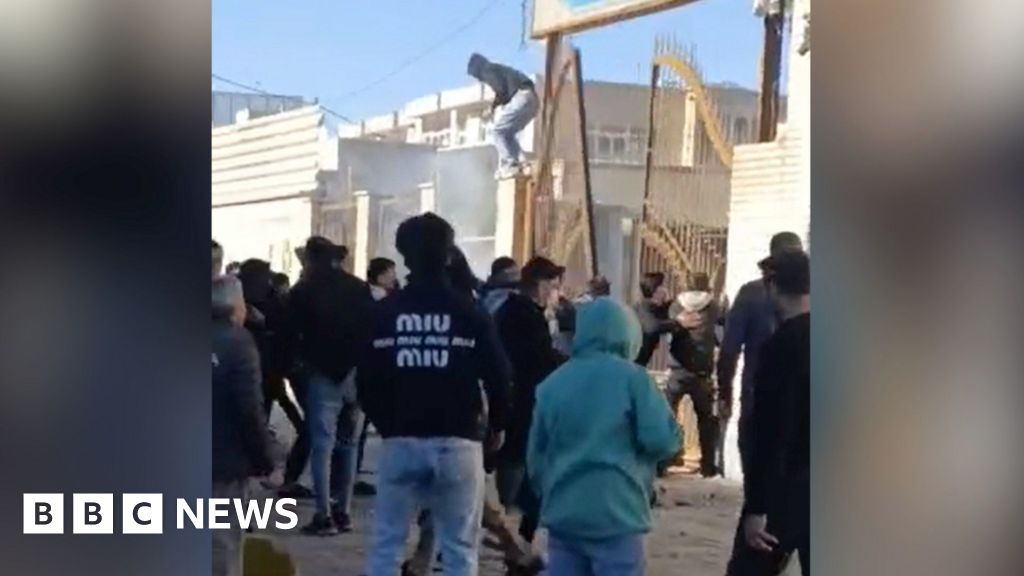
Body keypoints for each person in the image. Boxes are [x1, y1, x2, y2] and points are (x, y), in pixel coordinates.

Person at [358, 213, 511, 576]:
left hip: (401, 439)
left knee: (387, 545)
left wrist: (388, 424)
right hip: (459, 439)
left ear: (403, 255)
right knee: (460, 549)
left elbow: (367, 380)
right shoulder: (469, 312)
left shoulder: (385, 312)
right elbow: (500, 376)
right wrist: (497, 425)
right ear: (448, 253)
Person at [527, 297, 682, 576]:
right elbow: (661, 441)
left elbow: (536, 457)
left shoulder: (552, 384)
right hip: (618, 511)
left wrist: (547, 491)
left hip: (564, 511)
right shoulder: (635, 380)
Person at [720, 231, 804, 574]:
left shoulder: (754, 297)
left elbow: (729, 351)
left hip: (765, 417)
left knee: (752, 557)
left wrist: (724, 394)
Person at [289, 236, 372, 535]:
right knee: (348, 445)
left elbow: (292, 332)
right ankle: (343, 510)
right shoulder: (358, 287)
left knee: (322, 445)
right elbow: (370, 327)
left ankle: (323, 514)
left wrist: (298, 364)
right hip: (355, 374)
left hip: (322, 374)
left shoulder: (304, 290)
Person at [494, 256, 567, 548]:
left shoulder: (519, 311)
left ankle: (516, 533)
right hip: (522, 398)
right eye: (554, 286)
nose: (556, 293)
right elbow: (538, 358)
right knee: (519, 458)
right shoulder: (522, 314)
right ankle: (513, 532)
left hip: (522, 396)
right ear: (540, 285)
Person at [212, 275, 274, 576]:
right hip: (223, 461)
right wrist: (263, 457)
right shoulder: (238, 343)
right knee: (221, 541)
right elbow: (249, 407)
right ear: (236, 305)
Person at [664, 273, 721, 478]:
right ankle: (707, 465)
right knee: (705, 420)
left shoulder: (676, 306)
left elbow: (670, 330)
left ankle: (669, 458)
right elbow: (721, 326)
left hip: (678, 370)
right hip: (701, 372)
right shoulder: (713, 307)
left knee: (668, 415)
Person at [354, 256, 401, 498]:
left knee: (360, 428)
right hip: (378, 370)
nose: (395, 277)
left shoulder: (365, 297)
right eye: (391, 272)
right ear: (381, 276)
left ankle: (353, 474)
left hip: (370, 369)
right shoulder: (381, 302)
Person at [467, 53, 538, 179]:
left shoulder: (487, 70)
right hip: (533, 100)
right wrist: (494, 106)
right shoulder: (498, 69)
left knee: (498, 131)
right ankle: (521, 162)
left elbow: (501, 90)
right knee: (507, 133)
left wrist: (493, 107)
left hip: (521, 96)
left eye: (476, 76)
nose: (479, 79)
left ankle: (509, 165)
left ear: (477, 69)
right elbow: (504, 90)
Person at [634, 272, 678, 367]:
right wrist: (678, 322)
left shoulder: (650, 307)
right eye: (663, 286)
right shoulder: (644, 308)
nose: (666, 289)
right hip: (635, 361)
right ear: (656, 291)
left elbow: (662, 315)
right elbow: (652, 326)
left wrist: (668, 303)